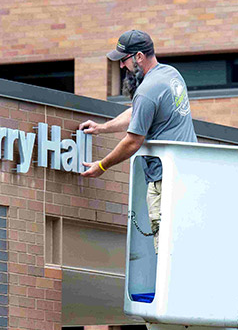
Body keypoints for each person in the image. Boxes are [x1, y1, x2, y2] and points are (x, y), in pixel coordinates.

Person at [79, 30, 196, 250]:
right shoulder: (171, 75)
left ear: (139, 57)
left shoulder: (147, 90)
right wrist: (102, 128)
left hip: (164, 180)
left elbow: (133, 142)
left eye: (124, 60)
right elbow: (138, 113)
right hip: (185, 172)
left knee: (167, 248)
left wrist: (102, 166)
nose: (122, 66)